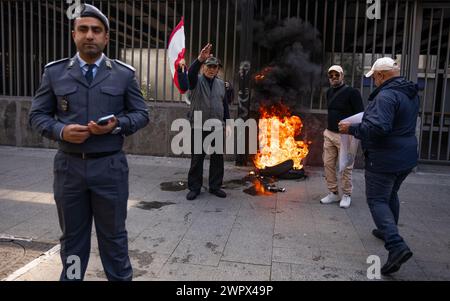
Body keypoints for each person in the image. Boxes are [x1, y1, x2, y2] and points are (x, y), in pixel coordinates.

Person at [29, 4, 149, 281]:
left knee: (114, 239)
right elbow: (37, 116)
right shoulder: (55, 73)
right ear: (74, 35)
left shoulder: (123, 74)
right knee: (72, 241)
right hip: (69, 169)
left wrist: (117, 124)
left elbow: (141, 114)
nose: (90, 35)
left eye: (96, 30)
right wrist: (61, 131)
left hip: (110, 168)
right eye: (83, 29)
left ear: (106, 37)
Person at [338, 57, 419, 275]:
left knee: (377, 199)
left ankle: (396, 246)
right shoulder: (409, 92)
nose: (374, 81)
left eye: (374, 76)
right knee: (391, 193)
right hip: (406, 156)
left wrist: (351, 129)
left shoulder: (386, 95)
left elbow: (379, 128)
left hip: (385, 157)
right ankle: (387, 229)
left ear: (382, 75)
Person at [177, 44, 233, 201]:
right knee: (197, 158)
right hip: (199, 125)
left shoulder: (221, 84)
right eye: (209, 66)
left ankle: (215, 186)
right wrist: (200, 59)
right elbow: (190, 75)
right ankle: (194, 187)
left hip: (216, 126)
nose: (212, 69)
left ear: (218, 69)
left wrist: (228, 123)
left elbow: (225, 105)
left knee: (217, 158)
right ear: (204, 68)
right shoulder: (196, 81)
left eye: (215, 67)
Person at [320, 65, 364, 208]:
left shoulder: (353, 93)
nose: (333, 78)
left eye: (336, 75)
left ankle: (346, 194)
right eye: (330, 75)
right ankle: (333, 192)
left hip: (346, 136)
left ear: (342, 76)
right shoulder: (329, 92)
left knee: (345, 167)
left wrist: (352, 131)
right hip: (329, 133)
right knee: (328, 164)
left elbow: (361, 115)